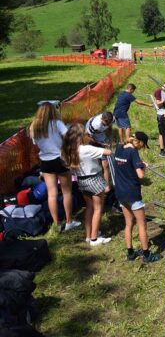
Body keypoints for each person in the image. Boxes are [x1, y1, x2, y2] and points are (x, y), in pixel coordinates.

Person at [28, 102, 81, 234]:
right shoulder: (56, 123)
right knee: (67, 191)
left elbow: (35, 143)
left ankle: (57, 224)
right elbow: (68, 135)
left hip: (45, 161)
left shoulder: (34, 126)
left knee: (52, 193)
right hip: (60, 158)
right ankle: (69, 222)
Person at [112, 132, 161, 263]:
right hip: (132, 193)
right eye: (143, 145)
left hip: (120, 193)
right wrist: (143, 167)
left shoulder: (119, 148)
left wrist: (138, 163)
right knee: (142, 225)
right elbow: (140, 175)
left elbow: (126, 165)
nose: (142, 148)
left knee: (128, 224)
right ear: (139, 142)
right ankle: (146, 254)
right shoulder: (133, 153)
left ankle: (130, 253)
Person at [61, 124, 112, 246]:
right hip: (94, 179)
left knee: (89, 207)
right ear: (81, 136)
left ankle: (88, 235)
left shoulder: (69, 151)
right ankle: (94, 238)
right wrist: (93, 141)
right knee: (98, 208)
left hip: (81, 181)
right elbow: (108, 152)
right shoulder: (86, 149)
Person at [85, 111, 114, 190]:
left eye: (108, 124)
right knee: (95, 162)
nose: (106, 126)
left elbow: (110, 129)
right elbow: (88, 137)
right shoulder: (95, 125)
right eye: (105, 124)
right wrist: (100, 144)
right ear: (101, 119)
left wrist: (110, 141)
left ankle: (107, 185)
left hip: (101, 137)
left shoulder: (112, 119)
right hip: (92, 137)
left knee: (106, 163)